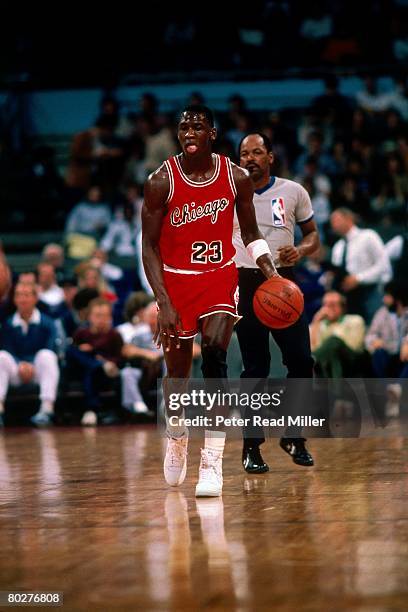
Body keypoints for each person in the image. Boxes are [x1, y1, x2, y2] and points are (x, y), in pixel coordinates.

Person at [142, 105, 278, 497]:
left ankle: (212, 459)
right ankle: (178, 434)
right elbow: (149, 245)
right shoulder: (160, 181)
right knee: (178, 377)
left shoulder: (235, 178)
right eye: (184, 126)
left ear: (212, 134)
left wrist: (270, 272)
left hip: (220, 278)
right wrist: (163, 300)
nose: (190, 131)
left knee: (216, 353)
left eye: (198, 126)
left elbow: (251, 234)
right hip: (177, 283)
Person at [234, 133, 320, 474]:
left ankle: (294, 436)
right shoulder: (229, 193)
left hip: (284, 282)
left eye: (257, 152)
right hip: (245, 280)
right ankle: (251, 446)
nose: (250, 158)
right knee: (255, 368)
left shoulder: (294, 190)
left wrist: (301, 249)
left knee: (301, 361)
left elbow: (313, 235)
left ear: (270, 156)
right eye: (244, 153)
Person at [0, 283, 60, 427]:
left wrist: (31, 364)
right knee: (1, 356)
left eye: (26, 295)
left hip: (38, 372)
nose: (22, 299)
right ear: (14, 299)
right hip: (17, 372)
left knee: (47, 356)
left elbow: (51, 347)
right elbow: (7, 349)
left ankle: (46, 410)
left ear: (35, 298)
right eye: (19, 295)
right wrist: (20, 364)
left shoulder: (48, 323)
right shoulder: (8, 324)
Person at [330, 208, 392, 322]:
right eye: (332, 222)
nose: (333, 224)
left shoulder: (368, 236)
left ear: (349, 219)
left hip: (370, 292)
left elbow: (384, 266)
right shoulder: (337, 247)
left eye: (336, 220)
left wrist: (359, 278)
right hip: (347, 297)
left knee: (371, 328)